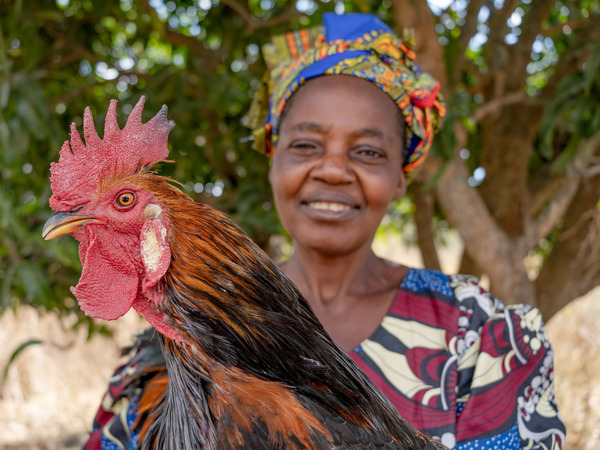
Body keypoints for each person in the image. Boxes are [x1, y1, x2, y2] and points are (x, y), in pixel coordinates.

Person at [85, 13, 565, 450]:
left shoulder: (482, 334)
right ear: (273, 160)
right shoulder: (154, 359)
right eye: (307, 145)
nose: (333, 170)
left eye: (369, 152)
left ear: (402, 175)